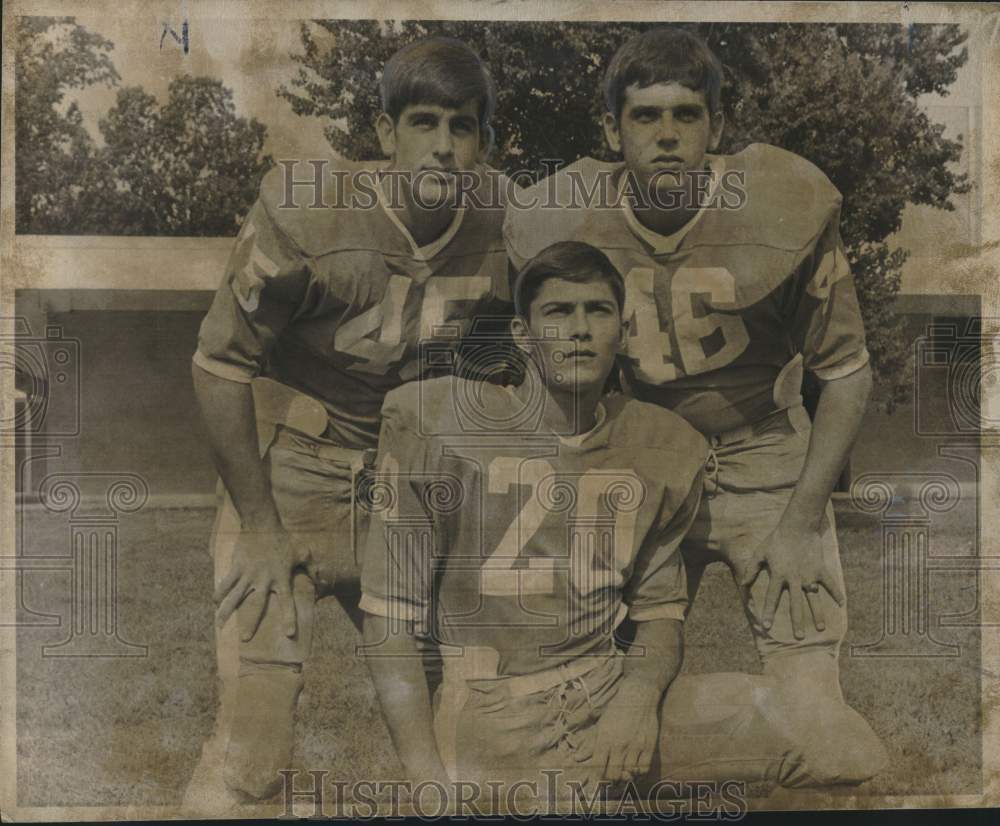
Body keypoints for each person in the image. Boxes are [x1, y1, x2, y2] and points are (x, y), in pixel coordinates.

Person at [361, 241, 885, 811]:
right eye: (558, 313)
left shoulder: (658, 446)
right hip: (490, 717)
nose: (579, 330)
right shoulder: (437, 425)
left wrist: (637, 698)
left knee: (839, 741)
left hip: (605, 692)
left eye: (598, 311)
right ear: (522, 335)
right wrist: (426, 780)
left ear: (624, 332)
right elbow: (389, 622)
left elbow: (660, 619)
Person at [503, 27, 886, 786]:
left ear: (718, 126)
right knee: (587, 706)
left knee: (822, 732)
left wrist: (804, 519)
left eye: (687, 114)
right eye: (645, 117)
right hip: (642, 460)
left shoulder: (781, 203)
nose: (667, 135)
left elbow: (847, 372)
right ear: (612, 130)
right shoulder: (562, 216)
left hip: (768, 454)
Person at [184, 37, 510, 809]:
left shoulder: (506, 223)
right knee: (253, 751)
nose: (442, 145)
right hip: (296, 470)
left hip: (407, 487)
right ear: (385, 132)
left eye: (462, 127)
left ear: (483, 143)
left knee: (464, 739)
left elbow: (506, 359)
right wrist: (261, 527)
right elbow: (218, 366)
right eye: (423, 122)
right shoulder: (308, 206)